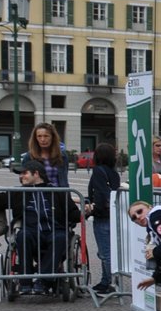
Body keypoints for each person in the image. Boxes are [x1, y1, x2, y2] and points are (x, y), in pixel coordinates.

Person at [14, 160, 74, 295]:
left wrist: (87, 209)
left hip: (54, 230)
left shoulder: (57, 191)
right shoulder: (18, 192)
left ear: (36, 174)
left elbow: (73, 213)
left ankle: (44, 281)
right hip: (31, 232)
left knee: (60, 238)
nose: (20, 176)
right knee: (22, 235)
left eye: (24, 173)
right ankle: (25, 282)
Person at [85, 142, 120, 293]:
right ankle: (105, 281)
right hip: (112, 214)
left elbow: (100, 193)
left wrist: (92, 209)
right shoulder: (114, 173)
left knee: (105, 252)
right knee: (108, 250)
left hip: (102, 216)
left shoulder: (98, 171)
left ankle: (109, 283)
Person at [22, 122, 69, 188]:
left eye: (46, 136)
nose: (42, 139)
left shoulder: (62, 156)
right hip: (38, 195)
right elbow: (24, 179)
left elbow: (64, 180)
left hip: (58, 195)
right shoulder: (29, 156)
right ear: (35, 138)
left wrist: (67, 197)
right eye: (39, 136)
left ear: (52, 137)